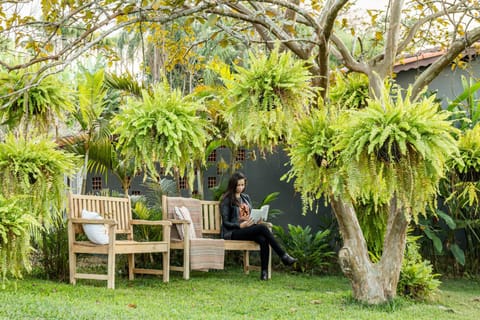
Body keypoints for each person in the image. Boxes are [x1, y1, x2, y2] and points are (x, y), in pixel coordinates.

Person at [219, 171, 297, 280]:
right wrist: (240, 226)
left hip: (247, 229)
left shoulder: (245, 198)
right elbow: (226, 222)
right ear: (233, 185)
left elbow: (248, 216)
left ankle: (264, 273)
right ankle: (283, 255)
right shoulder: (227, 199)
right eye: (238, 185)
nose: (241, 187)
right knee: (263, 229)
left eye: (243, 185)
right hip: (232, 232)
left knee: (262, 239)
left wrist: (256, 220)